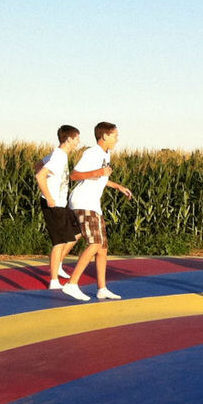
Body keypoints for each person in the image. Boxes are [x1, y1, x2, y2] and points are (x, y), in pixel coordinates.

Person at [61, 122, 133, 302]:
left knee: (102, 249)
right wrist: (99, 171)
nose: (117, 139)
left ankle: (102, 288)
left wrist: (117, 186)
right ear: (105, 136)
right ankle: (72, 284)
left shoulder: (105, 154)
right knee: (94, 243)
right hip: (83, 202)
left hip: (93, 204)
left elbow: (99, 179)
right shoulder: (92, 153)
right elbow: (75, 175)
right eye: (115, 135)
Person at [34, 124, 83, 289]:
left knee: (77, 232)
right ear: (69, 139)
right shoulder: (59, 156)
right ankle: (53, 280)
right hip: (54, 204)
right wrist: (49, 197)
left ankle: (59, 264)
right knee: (59, 241)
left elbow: (37, 165)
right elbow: (39, 175)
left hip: (61, 203)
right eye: (77, 138)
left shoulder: (57, 154)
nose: (78, 141)